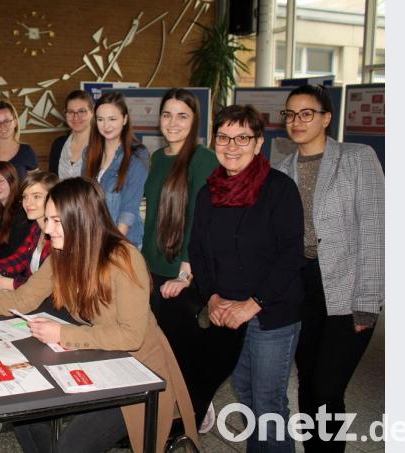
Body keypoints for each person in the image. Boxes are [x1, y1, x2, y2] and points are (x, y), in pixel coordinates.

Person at [0, 178, 198, 453]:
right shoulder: (63, 252)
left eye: (56, 220)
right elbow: (23, 298)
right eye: (48, 219)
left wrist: (62, 334)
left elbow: (131, 335)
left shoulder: (123, 258)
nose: (48, 230)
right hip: (97, 357)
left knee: (71, 445)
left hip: (138, 372)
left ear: (81, 220)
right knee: (24, 412)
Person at [274, 84, 384, 452]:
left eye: (307, 113)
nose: (297, 121)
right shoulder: (281, 168)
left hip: (346, 290)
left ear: (326, 118)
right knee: (306, 382)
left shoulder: (357, 157)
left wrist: (368, 302)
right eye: (290, 114)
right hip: (300, 288)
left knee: (327, 387)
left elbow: (375, 229)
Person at [189, 105, 305, 452]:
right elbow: (198, 251)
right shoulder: (209, 192)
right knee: (247, 397)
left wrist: (251, 306)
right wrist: (212, 298)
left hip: (271, 313)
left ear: (258, 144)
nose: (232, 145)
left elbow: (290, 255)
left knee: (268, 403)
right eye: (224, 137)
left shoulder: (279, 189)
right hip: (226, 313)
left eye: (243, 138)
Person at [140, 88, 219, 432]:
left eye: (182, 115)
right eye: (167, 115)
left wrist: (185, 274)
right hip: (153, 267)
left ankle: (191, 411)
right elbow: (153, 215)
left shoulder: (204, 160)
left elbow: (200, 222)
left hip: (181, 273)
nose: (173, 122)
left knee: (180, 350)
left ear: (195, 120)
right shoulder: (157, 158)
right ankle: (163, 411)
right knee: (156, 347)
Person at [83, 92, 148, 247]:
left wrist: (110, 246)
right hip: (93, 238)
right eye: (100, 119)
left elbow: (129, 210)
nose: (106, 126)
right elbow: (84, 198)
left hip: (122, 241)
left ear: (124, 119)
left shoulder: (137, 154)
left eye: (112, 119)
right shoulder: (89, 152)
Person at [48, 90, 93, 179]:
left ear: (92, 112)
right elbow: (52, 182)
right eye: (71, 111)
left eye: (82, 111)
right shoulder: (58, 144)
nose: (76, 117)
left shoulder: (102, 144)